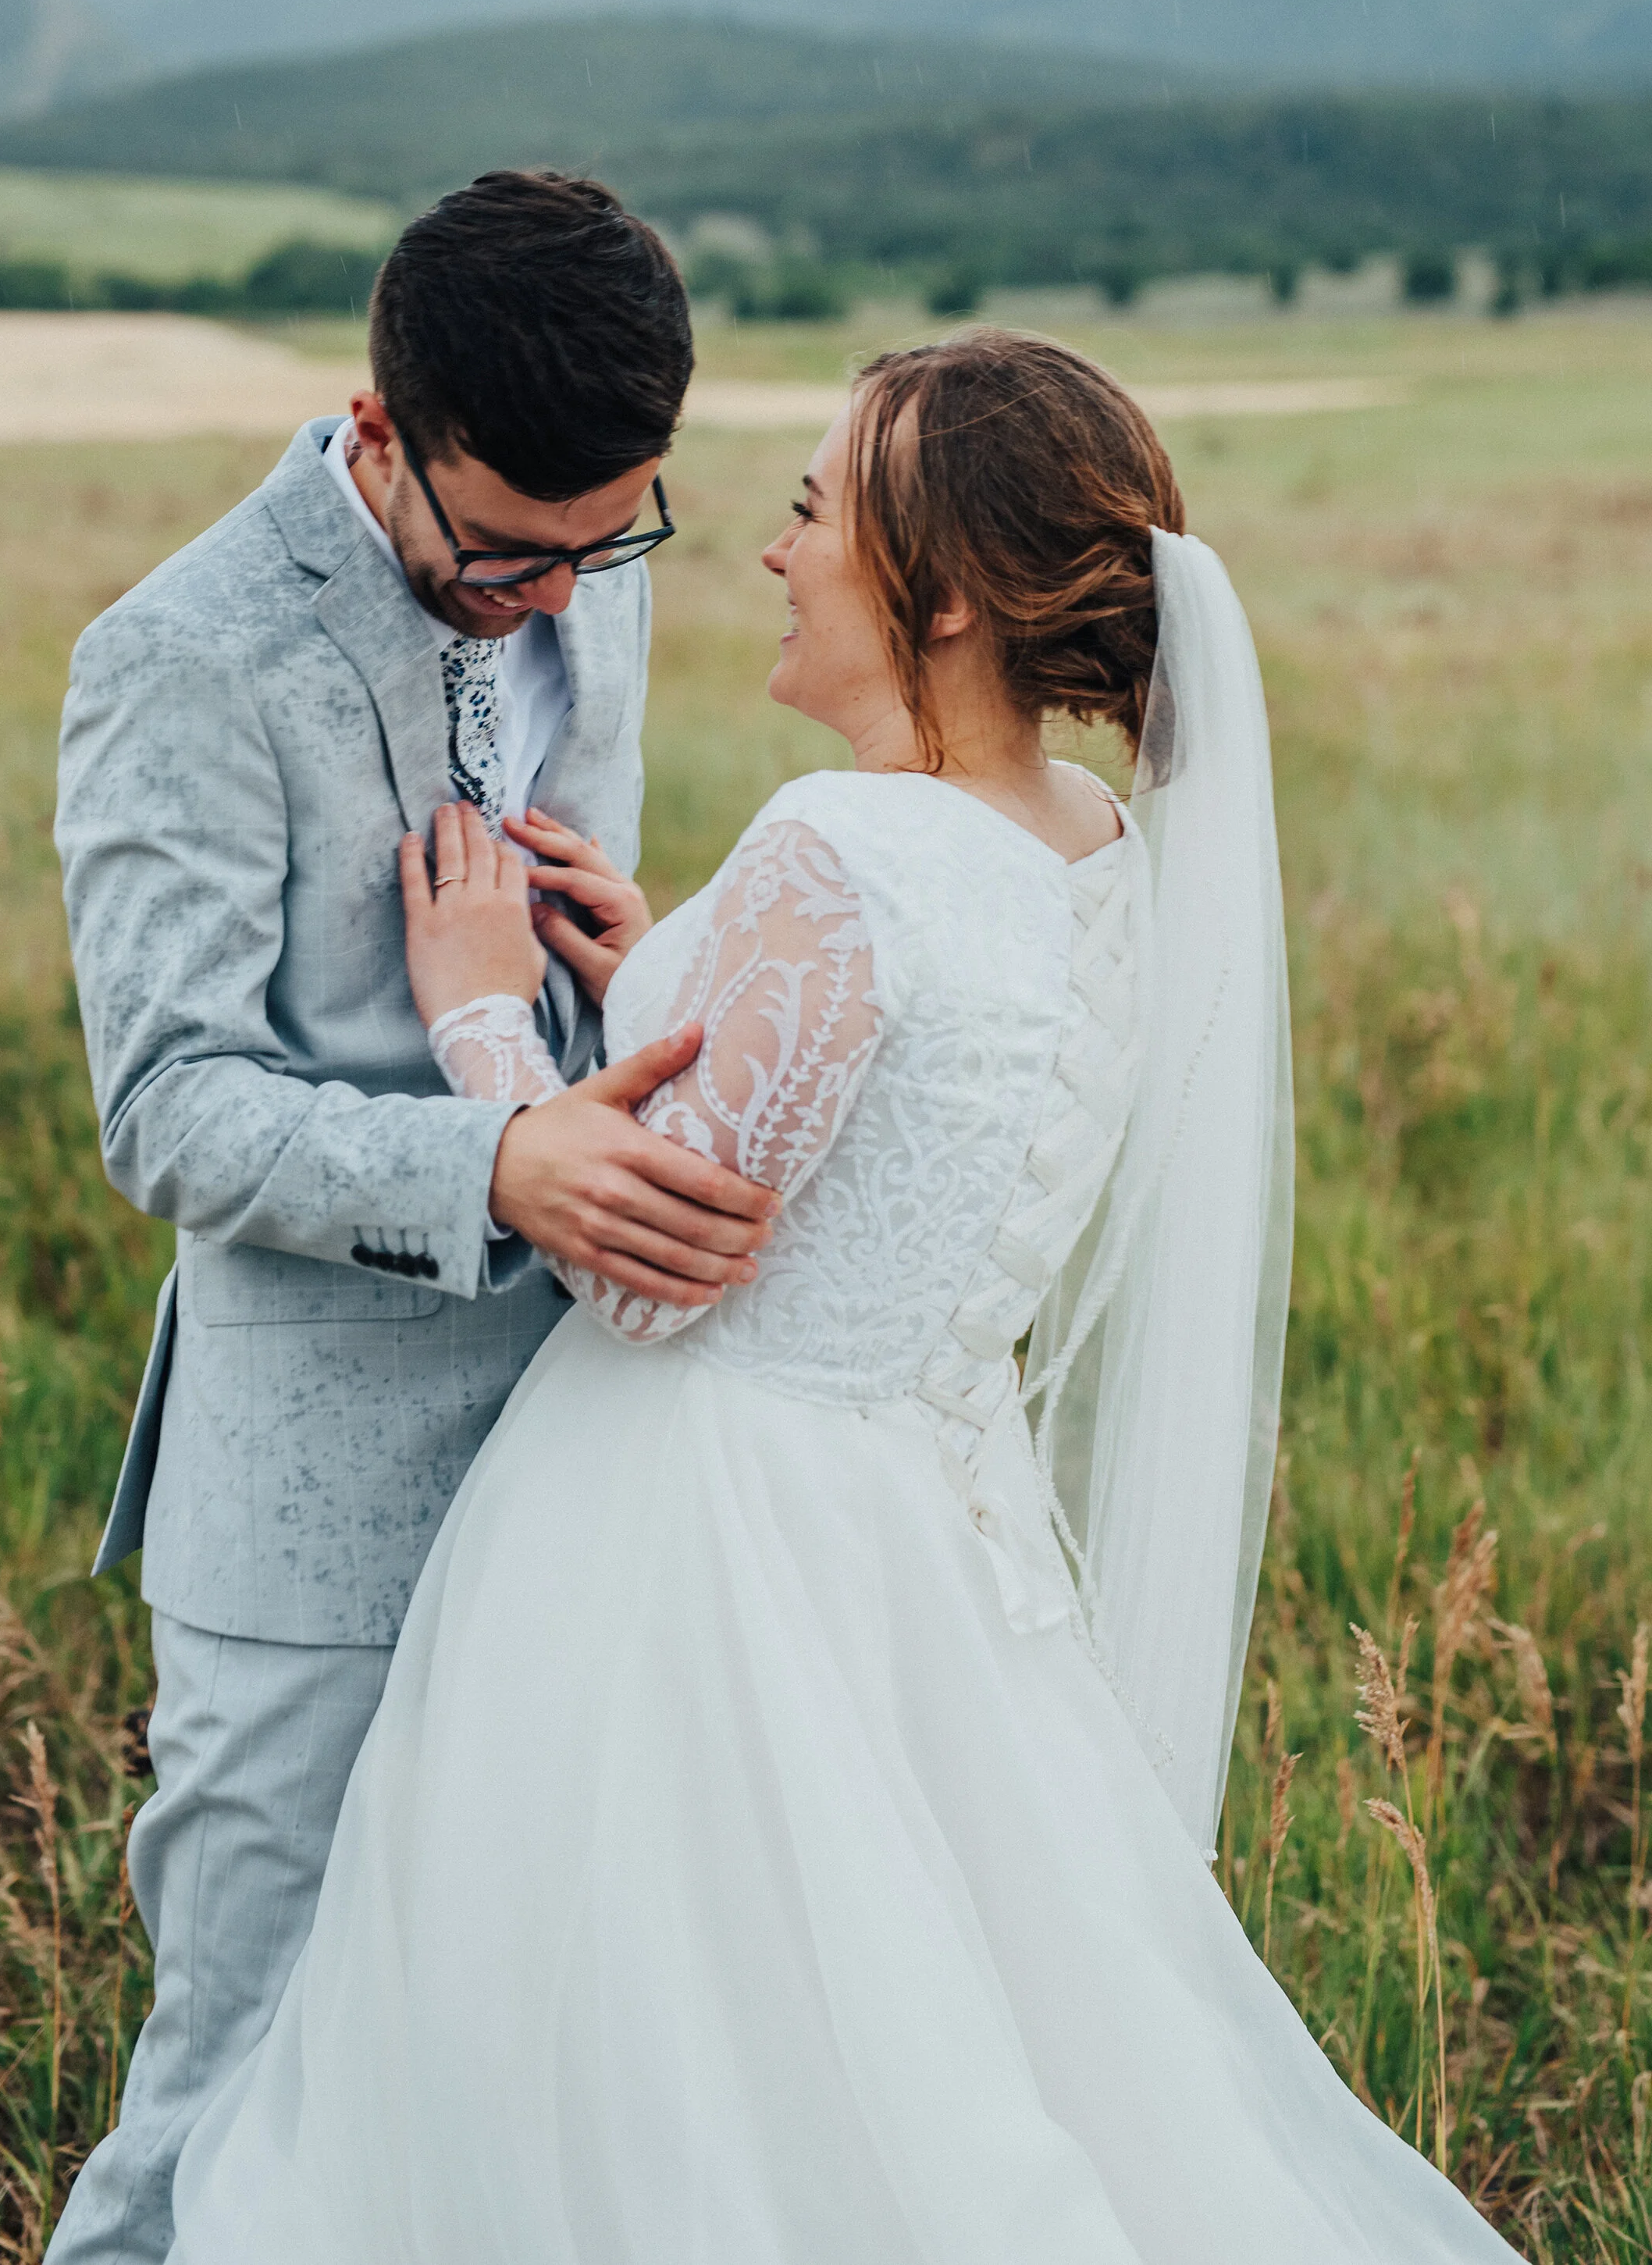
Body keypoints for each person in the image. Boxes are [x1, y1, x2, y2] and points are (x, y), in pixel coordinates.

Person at [165, 329, 1522, 2261]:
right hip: (926, 1548)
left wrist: (484, 1018)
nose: (777, 550)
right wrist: (669, 969)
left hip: (695, 1546)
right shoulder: (1090, 850)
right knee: (932, 2030)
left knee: (633, 2062)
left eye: (815, 509)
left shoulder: (844, 849)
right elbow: (893, 1137)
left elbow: (654, 1278)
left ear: (943, 592)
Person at [47, 171, 778, 2265]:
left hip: (593, 1453)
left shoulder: (587, 575)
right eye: (506, 553)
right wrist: (494, 1164)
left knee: (518, 2054)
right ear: (380, 426)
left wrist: (630, 998)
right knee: (238, 2077)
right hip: (314, 1508)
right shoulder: (180, 656)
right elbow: (170, 1104)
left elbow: (571, 962)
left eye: (605, 542)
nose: (556, 600)